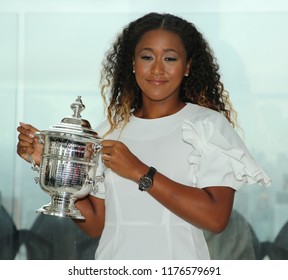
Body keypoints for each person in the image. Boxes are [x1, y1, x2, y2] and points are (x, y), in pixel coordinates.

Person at [16, 12, 271, 260]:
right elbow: (95, 225)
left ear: (187, 67)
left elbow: (216, 219)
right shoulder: (110, 130)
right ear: (133, 63)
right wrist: (48, 164)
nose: (157, 69)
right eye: (147, 57)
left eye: (170, 59)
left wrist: (140, 172)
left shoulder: (207, 125)